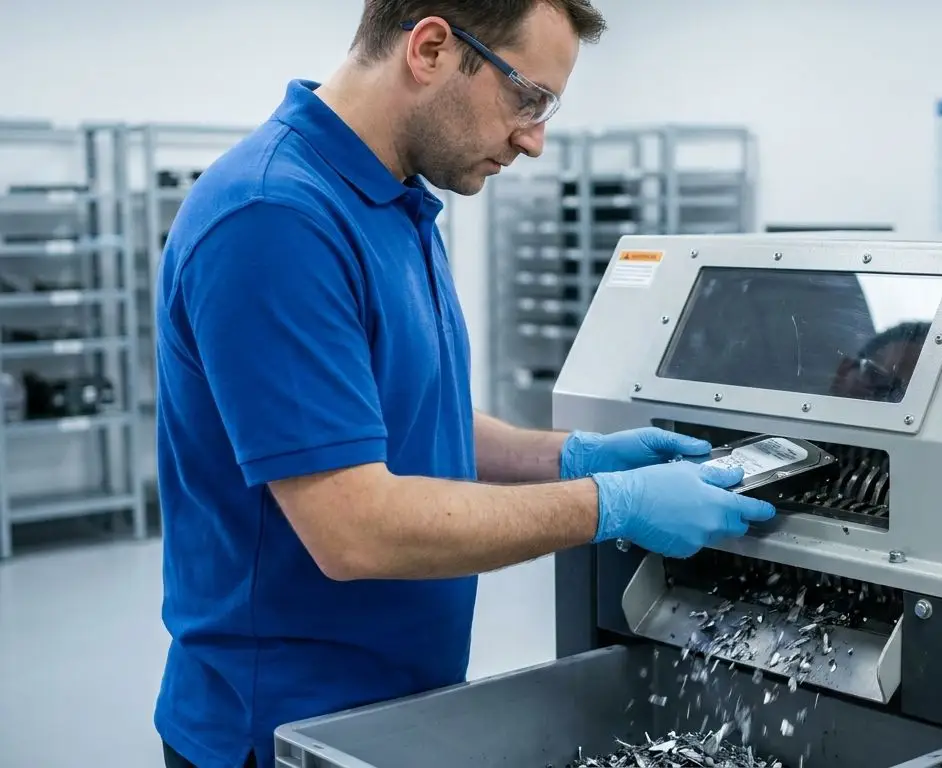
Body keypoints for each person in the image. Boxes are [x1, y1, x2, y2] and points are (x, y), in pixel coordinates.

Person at [150, 2, 776, 767]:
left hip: (400, 704)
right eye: (528, 97)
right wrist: (611, 506)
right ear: (433, 48)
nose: (535, 139)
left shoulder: (399, 201)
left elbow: (404, 416)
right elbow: (354, 527)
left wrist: (573, 456)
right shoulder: (274, 217)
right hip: (285, 729)